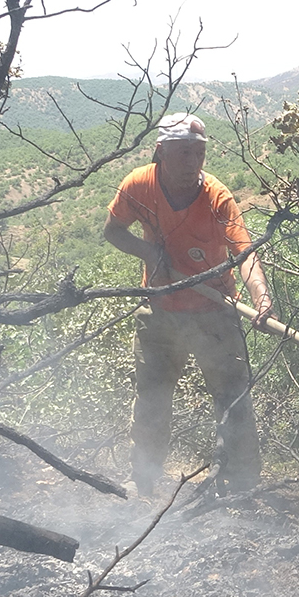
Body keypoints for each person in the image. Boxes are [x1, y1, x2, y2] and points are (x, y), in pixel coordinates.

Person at [104, 113, 273, 495]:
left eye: (199, 154)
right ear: (161, 151)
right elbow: (113, 231)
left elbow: (244, 253)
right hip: (159, 310)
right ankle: (143, 481)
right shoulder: (139, 185)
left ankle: (243, 484)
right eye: (183, 154)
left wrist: (261, 296)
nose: (193, 164)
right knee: (152, 399)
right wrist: (149, 252)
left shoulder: (217, 197)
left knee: (233, 399)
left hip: (214, 313)